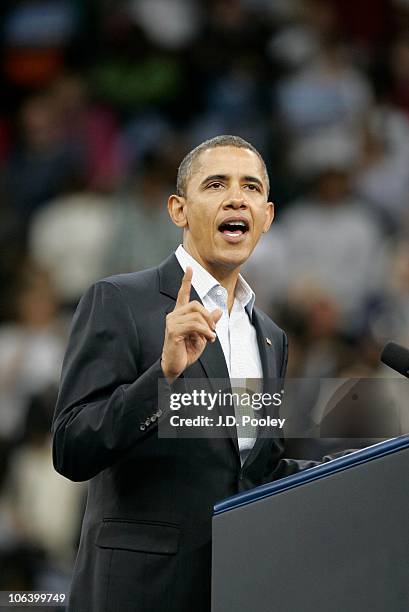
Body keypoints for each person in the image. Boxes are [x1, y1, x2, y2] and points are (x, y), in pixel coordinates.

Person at [52, 135, 327, 612]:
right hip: (139, 590)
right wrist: (163, 378)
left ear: (267, 215)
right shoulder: (120, 301)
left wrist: (363, 464)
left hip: (236, 587)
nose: (236, 197)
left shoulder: (270, 337)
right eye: (216, 184)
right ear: (178, 210)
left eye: (251, 187)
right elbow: (72, 448)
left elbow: (255, 467)